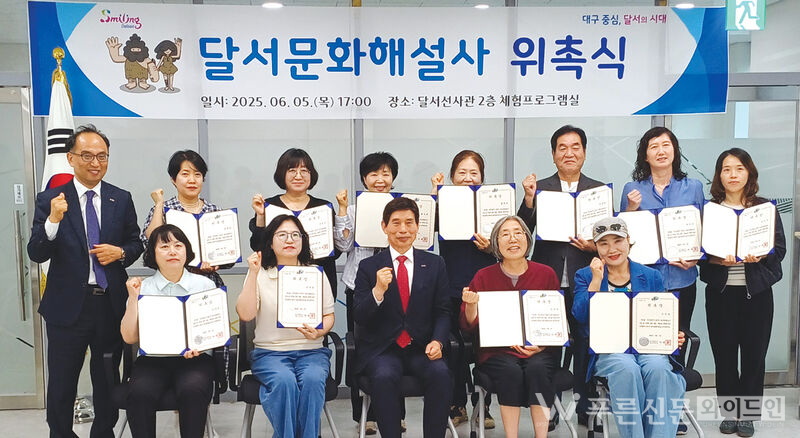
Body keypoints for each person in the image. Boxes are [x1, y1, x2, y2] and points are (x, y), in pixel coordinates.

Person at [27, 124, 144, 437]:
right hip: (67, 308)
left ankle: (103, 432)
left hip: (110, 305)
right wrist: (53, 220)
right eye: (87, 155)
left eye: (102, 156)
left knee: (107, 379)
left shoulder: (120, 198)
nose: (96, 163)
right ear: (71, 158)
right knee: (62, 382)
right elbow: (36, 252)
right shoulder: (50, 199)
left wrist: (121, 252)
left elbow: (136, 243)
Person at [515, 125, 606, 425]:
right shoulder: (540, 188)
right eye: (562, 148)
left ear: (584, 152)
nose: (569, 153)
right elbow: (521, 231)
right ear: (554, 154)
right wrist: (529, 199)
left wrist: (595, 246)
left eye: (575, 147)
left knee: (586, 343)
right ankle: (548, 409)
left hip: (586, 279)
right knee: (548, 346)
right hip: (547, 278)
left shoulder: (598, 191)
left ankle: (585, 408)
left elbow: (611, 240)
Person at [573, 217, 687, 438]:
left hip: (648, 347)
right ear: (596, 247)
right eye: (604, 243)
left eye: (618, 241)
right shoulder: (585, 275)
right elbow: (580, 316)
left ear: (628, 240)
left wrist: (673, 333)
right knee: (626, 368)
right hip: (610, 349)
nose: (612, 249)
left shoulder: (651, 275)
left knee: (658, 368)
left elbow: (663, 315)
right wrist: (596, 281)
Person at [699, 148, 786, 438]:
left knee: (754, 356)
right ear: (719, 175)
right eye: (726, 169)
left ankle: (747, 415)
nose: (733, 175)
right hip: (721, 295)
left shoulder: (765, 209)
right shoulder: (710, 210)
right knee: (724, 355)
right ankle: (729, 412)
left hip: (757, 295)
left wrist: (761, 255)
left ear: (749, 173)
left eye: (739, 168)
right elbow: (699, 255)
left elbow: (779, 250)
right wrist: (716, 260)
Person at [353, 197, 452, 438]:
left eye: (409, 222)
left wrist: (438, 341)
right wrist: (378, 291)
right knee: (384, 376)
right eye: (396, 223)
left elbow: (443, 310)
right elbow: (360, 316)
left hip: (422, 348)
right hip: (383, 350)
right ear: (384, 226)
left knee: (440, 373)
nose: (403, 230)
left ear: (418, 226)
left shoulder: (435, 263)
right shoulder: (368, 266)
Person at [461, 215, 561, 438]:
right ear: (496, 243)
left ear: (527, 239)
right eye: (505, 234)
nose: (512, 239)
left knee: (537, 368)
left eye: (518, 233)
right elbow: (468, 326)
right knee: (510, 371)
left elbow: (557, 320)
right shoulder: (483, 276)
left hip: (539, 349)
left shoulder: (546, 274)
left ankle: (541, 435)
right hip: (498, 351)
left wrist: (542, 346)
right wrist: (471, 305)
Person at [236, 215, 335, 438]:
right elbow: (245, 314)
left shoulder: (315, 273)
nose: (289, 240)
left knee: (312, 380)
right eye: (282, 235)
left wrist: (320, 331)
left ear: (303, 241)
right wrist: (252, 273)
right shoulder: (260, 273)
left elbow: (328, 315)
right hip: (270, 353)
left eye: (295, 235)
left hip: (311, 351)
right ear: (270, 242)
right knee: (284, 381)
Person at [121, 225, 217, 438]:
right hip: (153, 360)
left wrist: (202, 346)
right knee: (140, 393)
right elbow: (129, 337)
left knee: (192, 390)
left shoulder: (205, 285)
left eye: (178, 245)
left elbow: (214, 331)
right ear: (153, 254)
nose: (172, 251)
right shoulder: (142, 287)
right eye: (164, 246)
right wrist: (134, 299)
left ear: (187, 251)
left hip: (195, 359)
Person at [334, 152, 405, 434]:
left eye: (385, 173)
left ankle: (396, 414)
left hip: (398, 288)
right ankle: (365, 416)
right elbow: (343, 246)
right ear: (364, 179)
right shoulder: (353, 209)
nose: (380, 179)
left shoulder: (402, 207)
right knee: (362, 349)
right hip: (360, 287)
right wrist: (342, 210)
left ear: (393, 177)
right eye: (374, 174)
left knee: (397, 347)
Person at [431, 150, 498, 428]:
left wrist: (491, 246)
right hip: (450, 286)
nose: (468, 177)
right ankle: (456, 403)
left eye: (474, 172)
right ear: (452, 176)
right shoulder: (443, 201)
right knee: (452, 347)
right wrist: (435, 196)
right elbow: (425, 232)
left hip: (486, 286)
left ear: (482, 177)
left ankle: (484, 406)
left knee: (488, 346)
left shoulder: (494, 204)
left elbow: (512, 245)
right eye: (462, 172)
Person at [250, 148, 340, 299]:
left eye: (304, 170)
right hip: (277, 281)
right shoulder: (269, 206)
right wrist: (260, 216)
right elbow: (258, 247)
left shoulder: (323, 207)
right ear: (282, 174)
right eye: (292, 170)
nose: (298, 176)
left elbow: (336, 252)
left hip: (317, 279)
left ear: (311, 175)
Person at [140, 149, 232, 288]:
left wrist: (216, 264)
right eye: (185, 174)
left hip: (209, 284)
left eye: (197, 174)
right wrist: (159, 204)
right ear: (173, 179)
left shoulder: (215, 212)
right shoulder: (163, 210)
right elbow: (150, 242)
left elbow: (228, 257)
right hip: (171, 284)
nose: (192, 180)